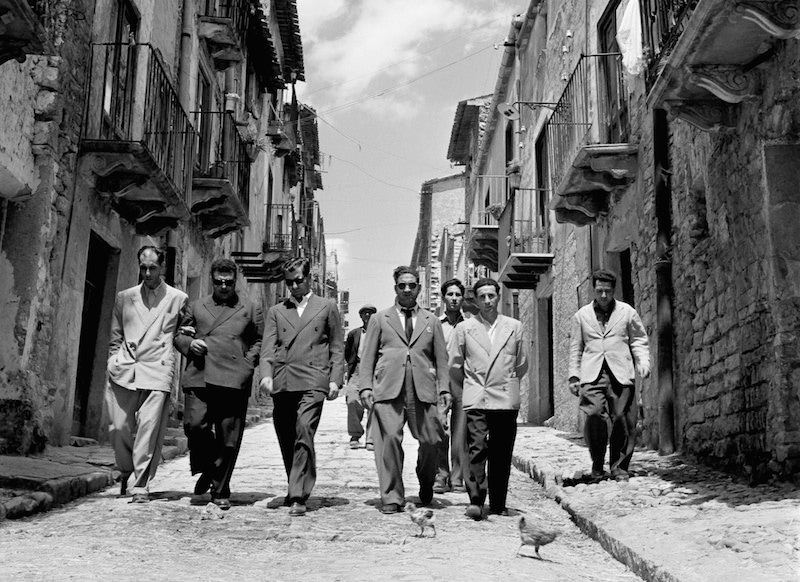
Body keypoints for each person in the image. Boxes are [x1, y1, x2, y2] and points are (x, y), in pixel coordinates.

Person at [359, 266, 451, 514]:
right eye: (402, 285)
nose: (407, 289)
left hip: (423, 389)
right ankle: (391, 496)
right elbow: (367, 357)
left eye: (412, 285)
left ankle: (426, 480)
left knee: (432, 440)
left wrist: (444, 389)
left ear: (419, 288)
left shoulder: (431, 321)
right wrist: (365, 386)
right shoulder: (380, 319)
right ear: (395, 288)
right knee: (387, 440)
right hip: (388, 388)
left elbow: (441, 359)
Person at [173, 258, 263, 510]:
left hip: (234, 378)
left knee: (229, 438)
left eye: (228, 282)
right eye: (218, 282)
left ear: (235, 282)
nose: (223, 286)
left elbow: (259, 340)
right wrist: (190, 345)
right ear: (212, 281)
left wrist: (248, 363)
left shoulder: (249, 308)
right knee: (194, 426)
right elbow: (180, 335)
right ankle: (209, 467)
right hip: (200, 375)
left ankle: (220, 488)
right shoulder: (197, 306)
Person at [259, 257, 345, 516]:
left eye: (299, 281)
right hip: (284, 380)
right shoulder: (277, 311)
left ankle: (298, 494)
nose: (295, 286)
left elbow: (337, 347)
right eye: (289, 283)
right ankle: (295, 482)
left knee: (304, 430)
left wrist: (335, 379)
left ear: (309, 279)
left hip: (313, 379)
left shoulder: (326, 306)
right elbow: (268, 348)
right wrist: (266, 375)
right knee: (287, 436)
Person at [105, 245, 188, 503]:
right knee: (118, 427)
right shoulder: (124, 297)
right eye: (143, 267)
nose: (148, 272)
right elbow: (115, 337)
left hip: (157, 369)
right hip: (125, 368)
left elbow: (182, 334)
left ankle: (140, 484)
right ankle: (127, 472)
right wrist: (113, 360)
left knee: (149, 429)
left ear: (162, 267)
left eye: (153, 267)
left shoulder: (177, 298)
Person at [449, 277, 528, 520]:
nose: (487, 301)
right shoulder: (464, 328)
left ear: (498, 296)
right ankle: (475, 498)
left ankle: (498, 502)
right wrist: (472, 385)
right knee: (477, 448)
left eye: (491, 296)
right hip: (477, 397)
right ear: (475, 299)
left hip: (504, 397)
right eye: (481, 297)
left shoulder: (514, 326)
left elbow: (522, 363)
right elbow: (455, 364)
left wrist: (505, 381)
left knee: (502, 451)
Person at [568, 268, 650, 482]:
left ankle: (619, 467)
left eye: (607, 291)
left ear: (614, 290)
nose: (603, 296)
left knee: (622, 419)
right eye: (599, 291)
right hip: (592, 374)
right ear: (593, 290)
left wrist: (642, 361)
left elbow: (638, 339)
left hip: (620, 373)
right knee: (594, 415)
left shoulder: (627, 312)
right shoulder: (582, 316)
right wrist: (574, 376)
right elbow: (575, 347)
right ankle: (597, 463)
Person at [433, 278, 467, 494]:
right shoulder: (435, 324)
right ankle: (440, 476)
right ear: (443, 297)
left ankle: (457, 478)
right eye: (450, 295)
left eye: (457, 295)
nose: (454, 299)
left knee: (461, 433)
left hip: (464, 382)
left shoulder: (471, 324)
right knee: (440, 430)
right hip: (440, 382)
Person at [344, 304, 378, 450]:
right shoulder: (354, 334)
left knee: (374, 404)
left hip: (375, 371)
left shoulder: (380, 333)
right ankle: (355, 435)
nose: (368, 316)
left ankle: (371, 439)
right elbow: (347, 353)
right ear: (361, 316)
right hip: (357, 370)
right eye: (365, 313)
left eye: (370, 313)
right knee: (352, 400)